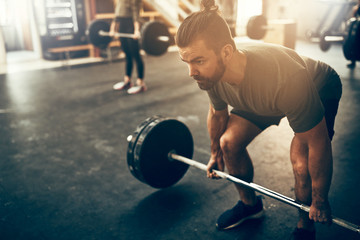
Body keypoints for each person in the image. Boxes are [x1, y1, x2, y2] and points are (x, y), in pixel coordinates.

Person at [175, 0, 342, 239]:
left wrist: (320, 200)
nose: (191, 72)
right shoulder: (212, 75)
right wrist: (215, 154)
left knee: (302, 164)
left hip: (316, 86)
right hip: (265, 96)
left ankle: (306, 224)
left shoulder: (286, 78)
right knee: (228, 143)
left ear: (226, 52)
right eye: (187, 62)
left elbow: (317, 144)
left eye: (198, 61)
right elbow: (217, 114)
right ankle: (250, 206)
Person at [110, 0, 147, 94]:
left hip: (131, 24)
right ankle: (127, 81)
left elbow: (136, 13)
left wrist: (136, 30)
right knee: (127, 55)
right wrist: (112, 29)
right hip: (122, 25)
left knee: (136, 55)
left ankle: (140, 83)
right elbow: (117, 13)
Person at [347, 0, 360, 69]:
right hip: (358, 30)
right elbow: (353, 19)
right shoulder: (356, 8)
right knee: (354, 44)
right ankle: (353, 62)